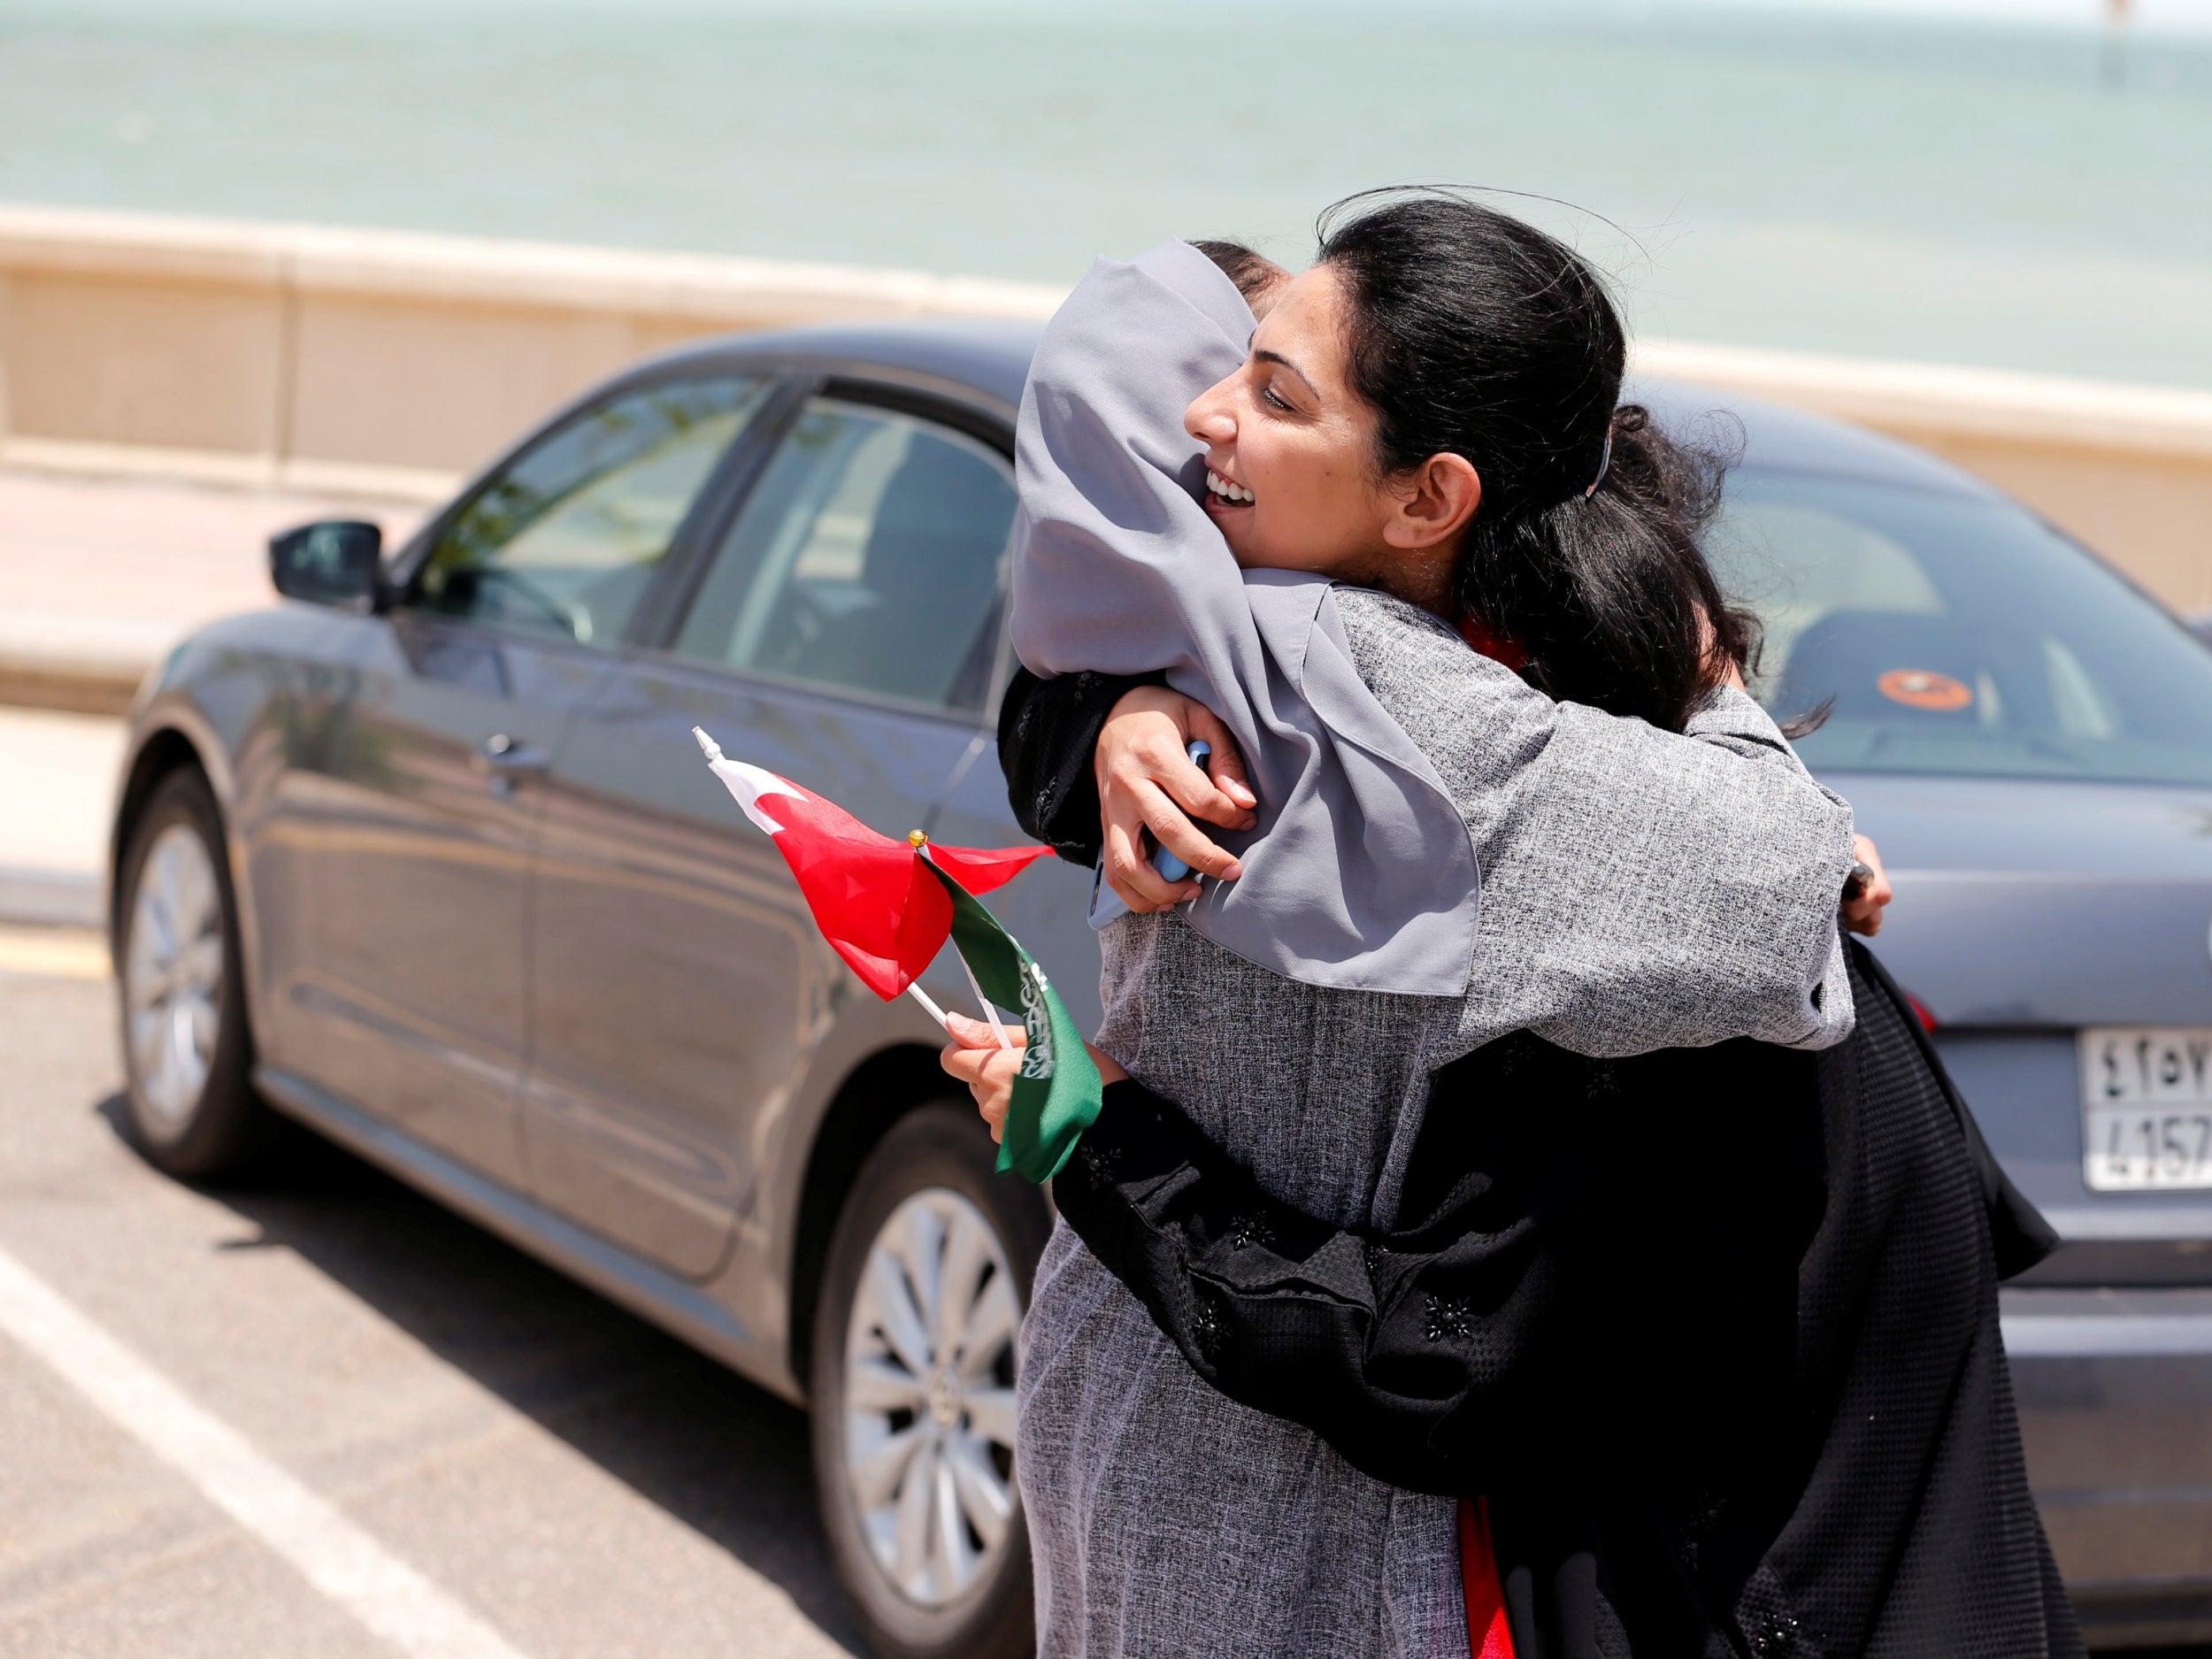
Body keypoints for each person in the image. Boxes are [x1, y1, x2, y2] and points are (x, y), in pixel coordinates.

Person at [953, 213, 2078, 1656]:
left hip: (1262, 1502)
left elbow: (1434, 1352)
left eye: (1277, 394)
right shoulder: (1265, 660)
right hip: (1249, 1465)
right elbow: (1776, 882)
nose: (1206, 418)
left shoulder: (1351, 698)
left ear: (1430, 497)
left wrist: (1097, 1133)